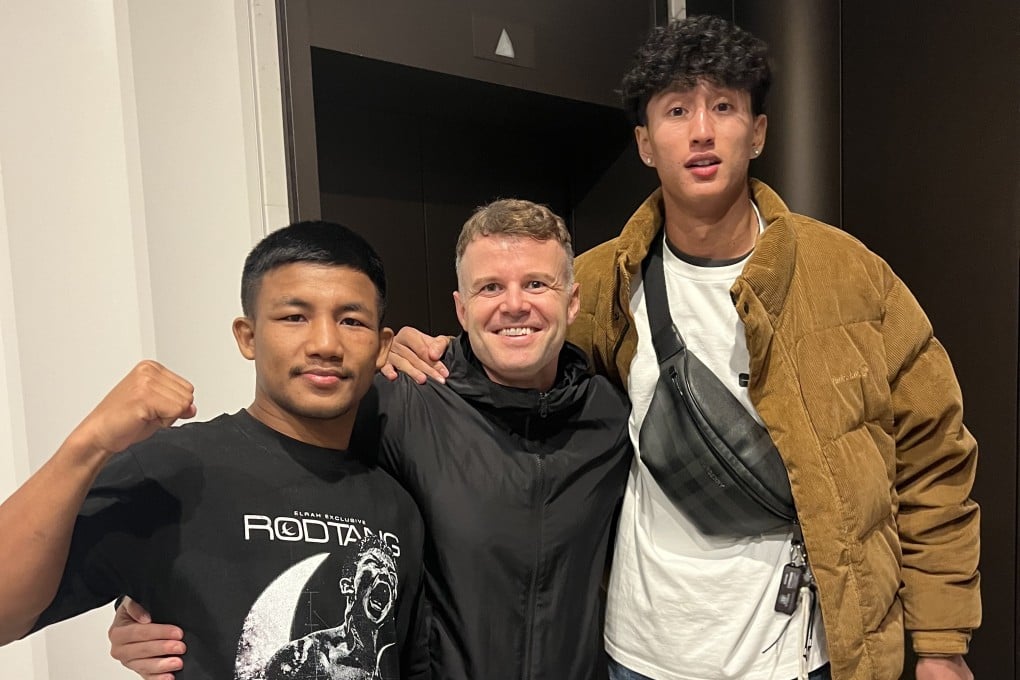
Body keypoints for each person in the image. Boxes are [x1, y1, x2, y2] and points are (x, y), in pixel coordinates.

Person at [348, 14, 982, 680]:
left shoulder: (851, 278)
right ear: (647, 143)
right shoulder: (596, 282)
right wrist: (418, 352)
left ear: (758, 132)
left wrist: (941, 642)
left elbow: (933, 454)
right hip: (643, 656)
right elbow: (510, 350)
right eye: (677, 109)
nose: (702, 130)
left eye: (725, 106)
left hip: (808, 655)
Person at [108, 199, 633, 680]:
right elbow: (276, 485)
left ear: (572, 301)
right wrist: (151, 602)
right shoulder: (402, 398)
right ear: (460, 307)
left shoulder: (612, 416)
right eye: (490, 287)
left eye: (537, 284)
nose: (514, 305)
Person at [0, 221, 429, 680]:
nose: (325, 344)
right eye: (294, 316)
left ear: (382, 347)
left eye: (351, 320)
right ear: (247, 336)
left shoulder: (397, 506)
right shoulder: (172, 468)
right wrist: (88, 445)